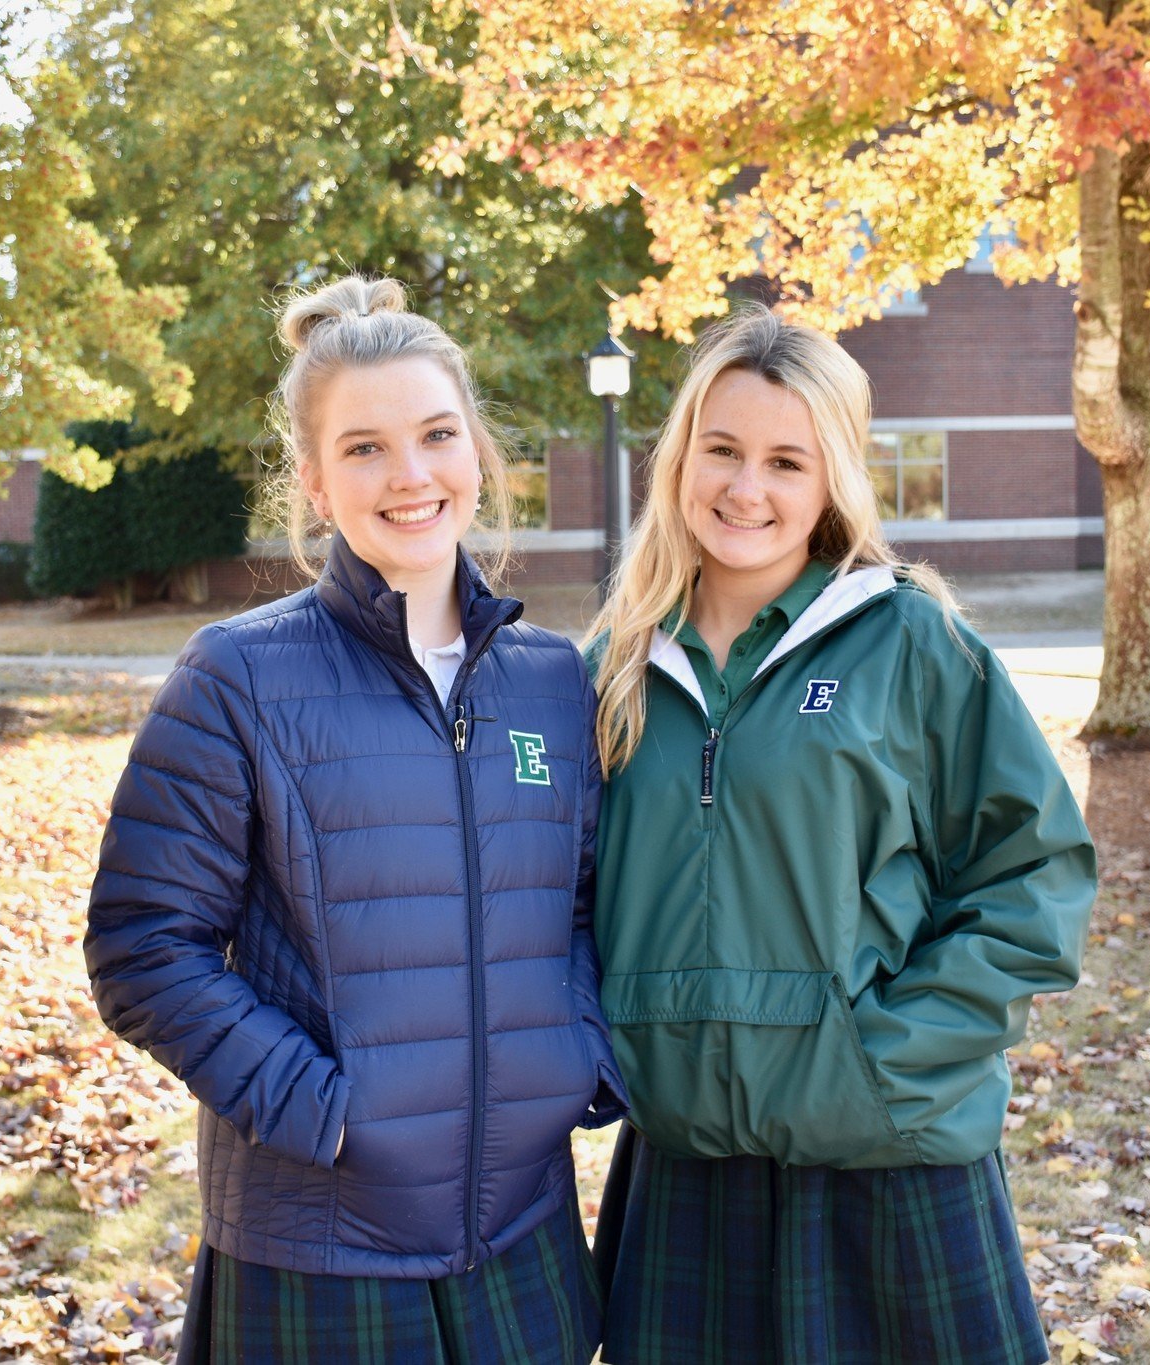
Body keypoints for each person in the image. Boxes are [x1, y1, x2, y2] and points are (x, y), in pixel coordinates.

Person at [84, 275, 626, 1365]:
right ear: (317, 486)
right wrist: (324, 1113)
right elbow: (143, 948)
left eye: (434, 435)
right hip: (321, 1248)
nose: (410, 475)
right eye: (365, 448)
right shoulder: (237, 677)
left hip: (520, 1234)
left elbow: (583, 908)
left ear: (476, 451)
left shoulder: (552, 680)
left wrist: (577, 1060)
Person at [585, 305, 1094, 1365]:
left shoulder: (908, 641)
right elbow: (558, 894)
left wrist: (883, 1061)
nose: (745, 489)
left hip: (884, 1158)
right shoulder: (611, 666)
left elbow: (1030, 872)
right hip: (685, 1168)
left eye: (786, 461)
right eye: (720, 450)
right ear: (679, 454)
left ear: (832, 481)